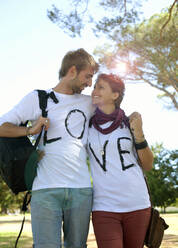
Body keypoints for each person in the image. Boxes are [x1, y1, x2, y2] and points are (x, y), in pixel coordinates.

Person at [0, 48, 99, 248]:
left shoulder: (90, 103)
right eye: (87, 76)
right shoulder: (38, 98)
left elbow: (113, 109)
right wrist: (29, 130)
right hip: (45, 190)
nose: (90, 84)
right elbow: (2, 127)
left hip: (81, 191)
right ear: (72, 70)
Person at [87, 73, 154, 248]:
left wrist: (139, 134)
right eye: (95, 86)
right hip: (104, 206)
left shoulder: (129, 123)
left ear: (115, 95)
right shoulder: (86, 126)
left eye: (101, 87)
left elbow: (147, 164)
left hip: (137, 203)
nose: (94, 90)